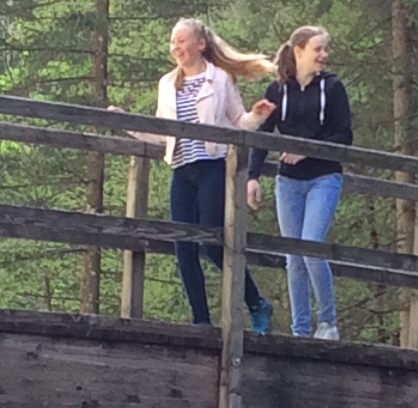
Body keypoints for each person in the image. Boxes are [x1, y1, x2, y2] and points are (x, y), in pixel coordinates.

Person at [151, 18, 272, 332]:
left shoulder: (219, 78)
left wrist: (257, 115)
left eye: (181, 41)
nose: (175, 47)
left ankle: (257, 302)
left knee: (215, 244)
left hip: (211, 167)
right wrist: (124, 122)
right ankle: (201, 322)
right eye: (172, 42)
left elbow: (237, 121)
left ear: (200, 44)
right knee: (183, 246)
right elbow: (162, 131)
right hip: (181, 169)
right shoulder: (167, 83)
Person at [261, 24, 352, 340]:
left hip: (324, 176)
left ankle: (327, 323)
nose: (324, 55)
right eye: (318, 49)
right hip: (288, 182)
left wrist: (306, 150)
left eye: (325, 49)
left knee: (311, 246)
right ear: (299, 51)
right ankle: (300, 331)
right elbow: (262, 132)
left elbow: (344, 134)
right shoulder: (277, 90)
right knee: (293, 257)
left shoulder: (332, 87)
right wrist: (251, 177)